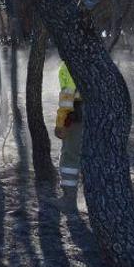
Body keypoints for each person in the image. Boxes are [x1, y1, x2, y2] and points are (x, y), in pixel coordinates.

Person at [54, 61, 82, 211]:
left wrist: (60, 123)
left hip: (77, 119)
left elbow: (67, 99)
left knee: (70, 155)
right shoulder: (98, 59)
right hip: (98, 119)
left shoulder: (68, 66)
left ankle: (69, 199)